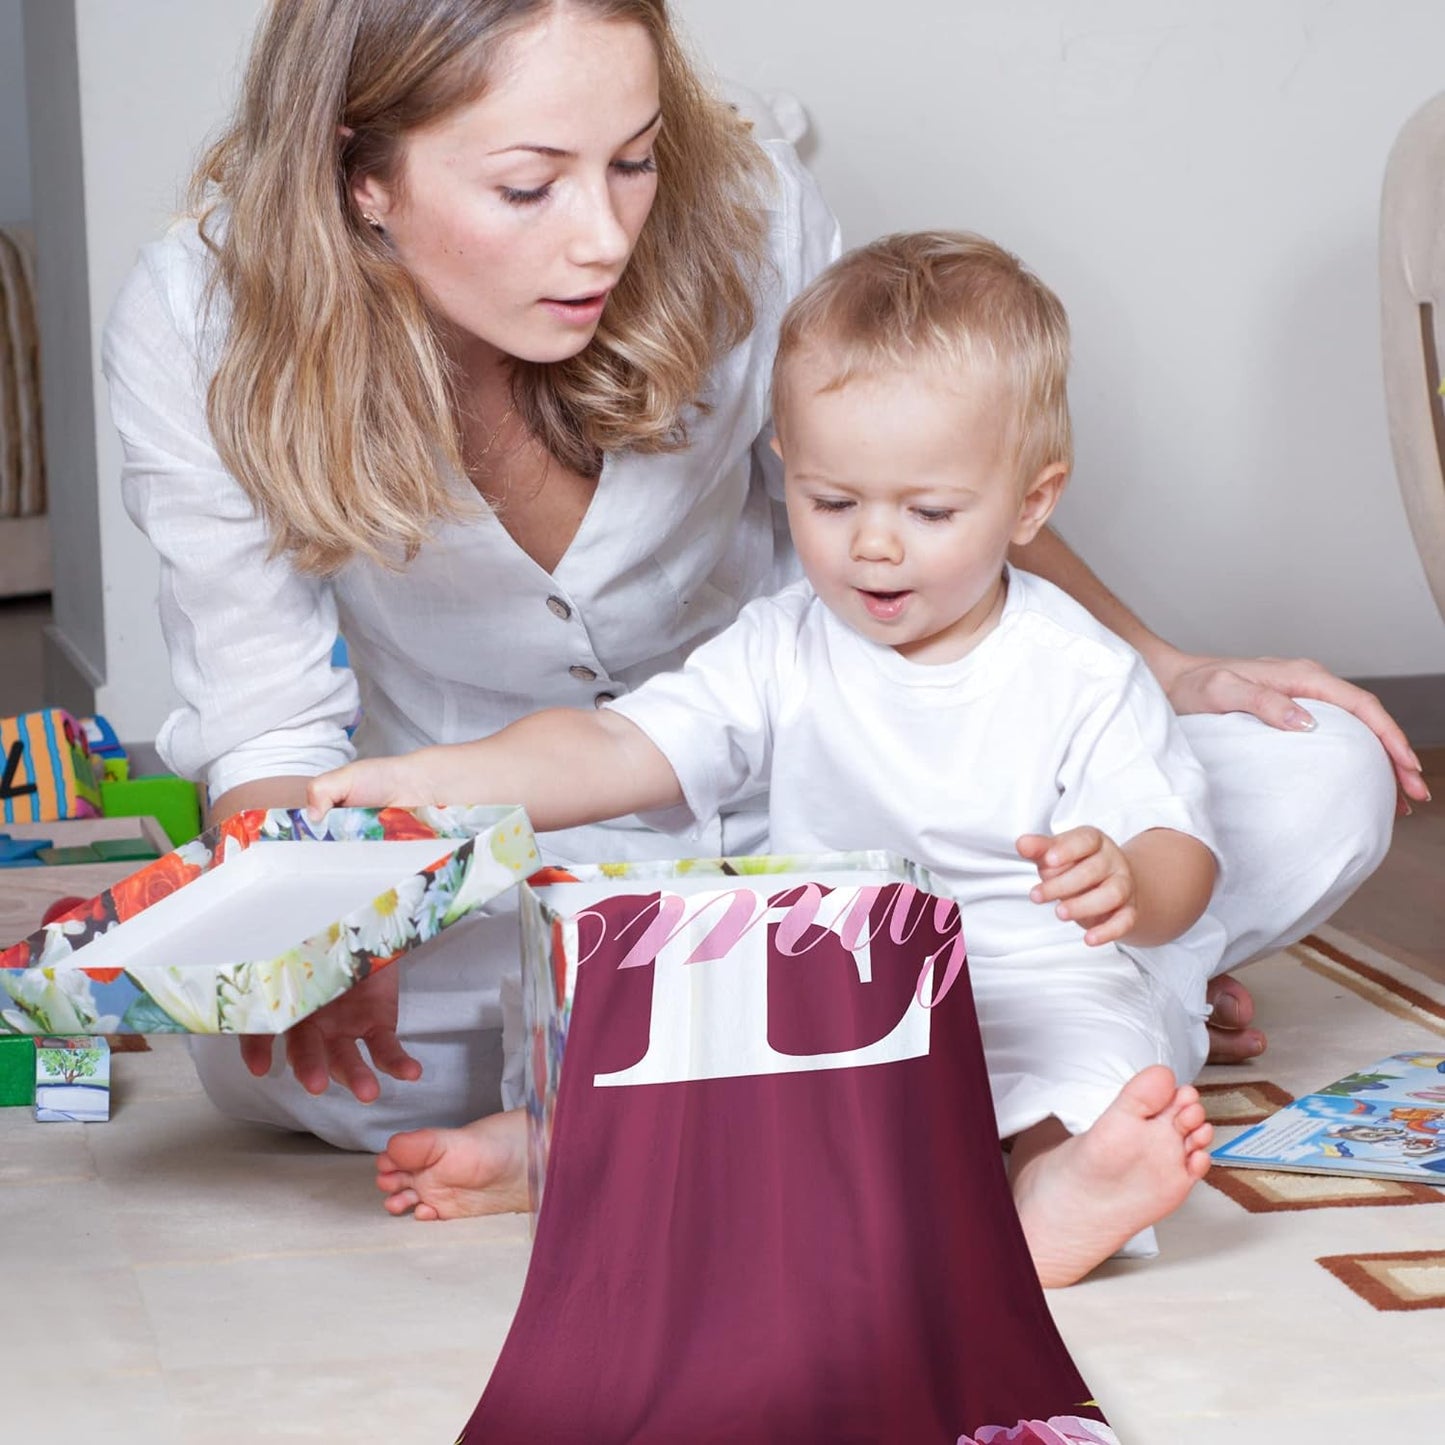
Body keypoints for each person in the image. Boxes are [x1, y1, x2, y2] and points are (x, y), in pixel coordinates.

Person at [104, 0, 1410, 1168]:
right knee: (265, 1052)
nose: (606, 234)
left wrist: (1167, 681)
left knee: (1322, 769)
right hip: (538, 836)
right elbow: (304, 729)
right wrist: (332, 908)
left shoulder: (743, 207)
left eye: (632, 158)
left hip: (867, 800)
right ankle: (1039, 1017)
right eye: (526, 187)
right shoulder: (205, 319)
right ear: (360, 170)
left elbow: (928, 474)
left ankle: (1009, 1004)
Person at [312, 230, 1227, 1287]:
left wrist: (1126, 878)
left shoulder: (1078, 668)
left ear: (1029, 503)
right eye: (830, 503)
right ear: (786, 467)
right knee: (685, 1027)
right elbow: (618, 742)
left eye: (927, 512)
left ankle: (1052, 1196)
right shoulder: (782, 642)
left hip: (1026, 969)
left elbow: (1179, 853)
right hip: (828, 977)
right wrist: (444, 779)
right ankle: (561, 1148)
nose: (872, 545)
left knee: (1098, 1068)